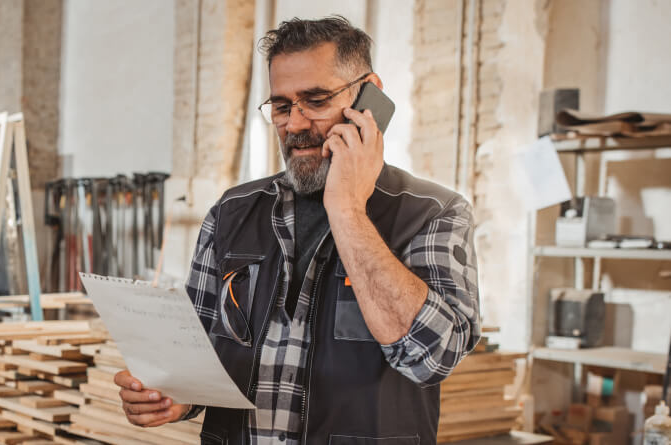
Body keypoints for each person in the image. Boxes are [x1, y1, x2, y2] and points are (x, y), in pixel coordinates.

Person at [114, 16, 481, 444]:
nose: (295, 124)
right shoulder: (231, 213)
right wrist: (176, 395)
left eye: (316, 100)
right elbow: (200, 357)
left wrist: (347, 211)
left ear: (370, 96)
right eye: (282, 106)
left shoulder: (433, 213)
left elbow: (431, 358)